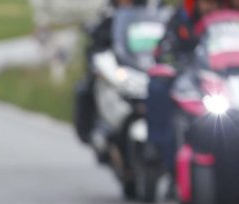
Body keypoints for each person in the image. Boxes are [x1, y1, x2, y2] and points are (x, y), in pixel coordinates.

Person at [146, 0, 223, 175]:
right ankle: (156, 144)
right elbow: (164, 51)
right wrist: (176, 62)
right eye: (206, 3)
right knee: (158, 85)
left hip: (225, 81)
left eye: (216, 3)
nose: (210, 7)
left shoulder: (233, 22)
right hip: (189, 79)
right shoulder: (180, 20)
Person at [74, 0, 145, 144]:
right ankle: (93, 130)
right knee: (87, 87)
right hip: (116, 66)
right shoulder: (109, 15)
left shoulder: (148, 12)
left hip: (140, 67)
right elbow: (96, 43)